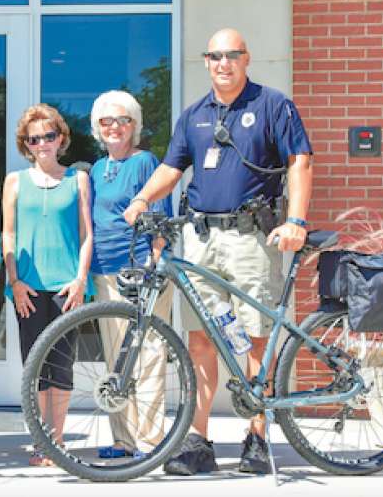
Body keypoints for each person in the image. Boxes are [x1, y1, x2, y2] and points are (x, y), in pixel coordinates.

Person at [124, 28, 313, 476]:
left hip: (251, 238)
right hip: (201, 239)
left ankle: (256, 435)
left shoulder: (271, 104)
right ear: (206, 62)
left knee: (254, 337)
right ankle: (199, 441)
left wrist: (297, 222)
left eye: (232, 55)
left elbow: (300, 161)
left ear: (246, 59)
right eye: (215, 56)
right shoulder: (193, 115)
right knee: (200, 338)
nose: (223, 63)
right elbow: (173, 167)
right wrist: (140, 200)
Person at [1, 104, 92, 466]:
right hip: (28, 288)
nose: (42, 144)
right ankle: (40, 443)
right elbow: (8, 234)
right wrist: (14, 281)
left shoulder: (77, 179)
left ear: (61, 139)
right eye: (34, 138)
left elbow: (87, 234)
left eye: (49, 136)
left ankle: (58, 441)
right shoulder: (14, 181)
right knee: (33, 368)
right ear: (26, 143)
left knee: (62, 365)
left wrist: (81, 279)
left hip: (67, 286)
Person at [89, 90, 172, 458]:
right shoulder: (95, 168)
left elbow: (161, 216)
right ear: (97, 128)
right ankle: (123, 440)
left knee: (149, 355)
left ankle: (151, 442)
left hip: (141, 270)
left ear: (134, 125)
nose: (114, 127)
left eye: (122, 120)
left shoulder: (145, 162)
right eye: (106, 121)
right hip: (105, 271)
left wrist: (155, 262)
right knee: (116, 359)